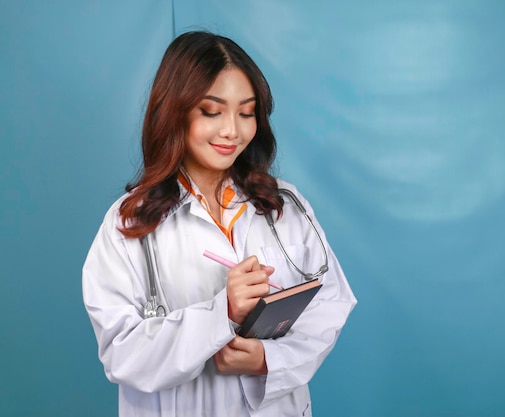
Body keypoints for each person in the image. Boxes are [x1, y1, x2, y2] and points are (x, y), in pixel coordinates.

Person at [82, 31, 357, 417]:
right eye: (211, 111)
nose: (232, 130)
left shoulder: (285, 205)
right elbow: (121, 354)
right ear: (174, 111)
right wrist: (221, 314)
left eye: (246, 113)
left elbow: (331, 303)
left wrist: (268, 360)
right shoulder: (129, 223)